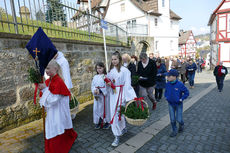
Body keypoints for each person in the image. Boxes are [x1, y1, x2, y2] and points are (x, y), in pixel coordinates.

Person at [38, 60, 77, 153]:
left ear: (55, 68)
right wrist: (43, 88)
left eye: (48, 68)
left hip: (57, 111)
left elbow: (53, 100)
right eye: (45, 68)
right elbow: (47, 94)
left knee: (56, 127)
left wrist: (44, 89)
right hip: (53, 111)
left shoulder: (58, 81)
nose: (46, 71)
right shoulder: (49, 80)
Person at [106, 51, 136, 147]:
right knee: (114, 114)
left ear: (119, 59)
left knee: (120, 113)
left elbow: (128, 84)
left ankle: (122, 128)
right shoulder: (110, 71)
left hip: (121, 94)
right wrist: (108, 84)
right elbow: (109, 83)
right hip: (113, 95)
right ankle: (117, 135)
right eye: (113, 59)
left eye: (115, 59)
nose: (114, 61)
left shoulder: (125, 71)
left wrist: (130, 97)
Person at [164, 69, 189, 137]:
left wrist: (181, 99)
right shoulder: (167, 84)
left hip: (178, 104)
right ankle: (174, 130)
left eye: (169, 76)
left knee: (179, 119)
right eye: (167, 76)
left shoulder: (180, 84)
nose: (167, 77)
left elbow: (187, 92)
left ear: (174, 77)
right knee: (172, 120)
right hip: (170, 104)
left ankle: (181, 124)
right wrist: (166, 97)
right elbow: (166, 91)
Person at [91, 62, 110, 129]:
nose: (99, 70)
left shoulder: (106, 76)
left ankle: (107, 122)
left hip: (104, 97)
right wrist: (94, 90)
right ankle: (98, 122)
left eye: (100, 68)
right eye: (97, 68)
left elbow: (108, 87)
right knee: (96, 109)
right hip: (97, 96)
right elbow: (92, 86)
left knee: (105, 109)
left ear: (103, 68)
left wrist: (101, 91)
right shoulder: (95, 77)